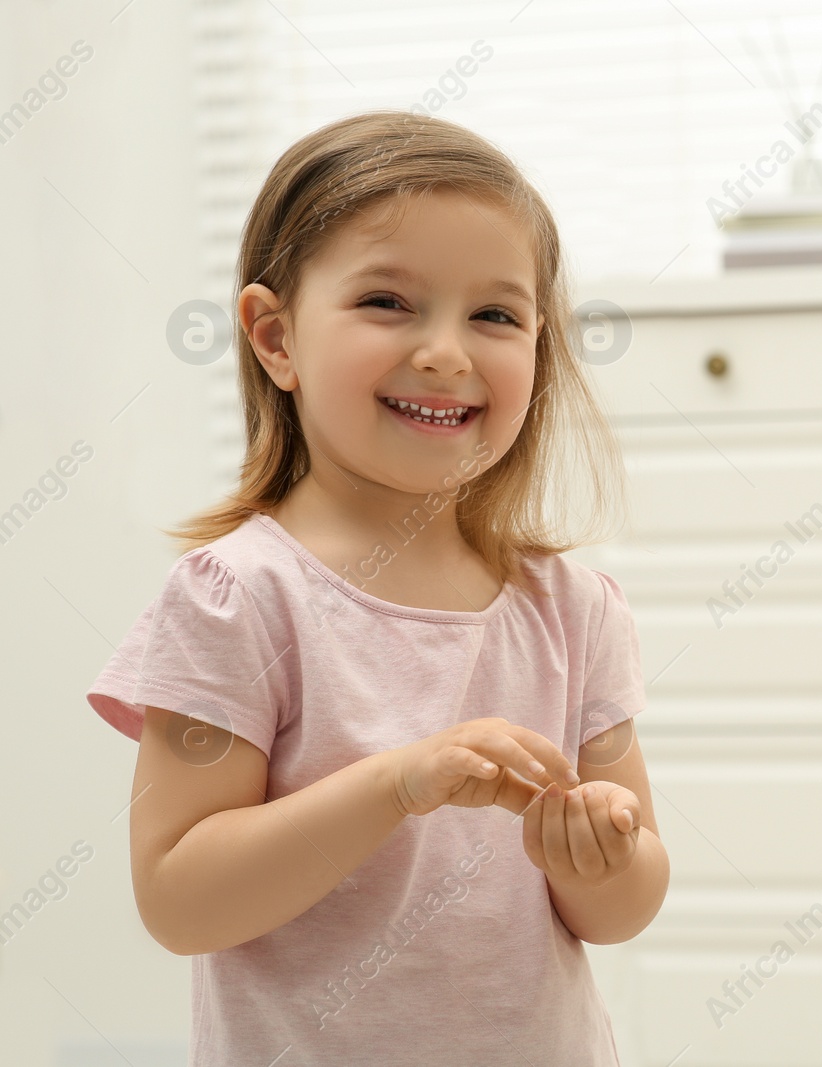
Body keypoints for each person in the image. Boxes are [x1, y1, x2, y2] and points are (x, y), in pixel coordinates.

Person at [84, 110, 667, 1066]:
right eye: (389, 302)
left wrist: (599, 851)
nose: (446, 349)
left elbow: (624, 908)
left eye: (494, 314)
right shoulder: (235, 598)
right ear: (275, 338)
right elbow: (180, 900)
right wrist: (398, 783)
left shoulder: (575, 610)